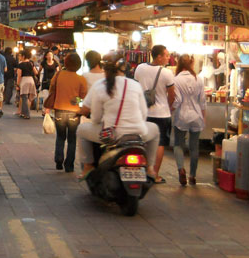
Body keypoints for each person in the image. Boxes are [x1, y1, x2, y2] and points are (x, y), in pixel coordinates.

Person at [77, 52, 160, 180]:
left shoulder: (100, 86)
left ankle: (88, 166)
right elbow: (143, 113)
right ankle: (150, 168)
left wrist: (98, 120)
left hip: (112, 135)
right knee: (155, 129)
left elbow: (96, 118)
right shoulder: (135, 85)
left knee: (81, 130)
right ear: (124, 67)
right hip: (138, 133)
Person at [134, 44, 175, 183]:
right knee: (160, 143)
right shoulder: (166, 73)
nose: (169, 58)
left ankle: (142, 171)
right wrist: (168, 106)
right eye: (167, 55)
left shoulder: (139, 68)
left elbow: (135, 87)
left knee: (143, 141)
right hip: (162, 114)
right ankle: (154, 174)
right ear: (159, 57)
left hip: (143, 112)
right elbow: (172, 95)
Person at [46, 53, 88, 173]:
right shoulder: (81, 79)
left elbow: (51, 90)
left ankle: (59, 159)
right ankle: (69, 165)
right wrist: (76, 100)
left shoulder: (58, 75)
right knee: (72, 139)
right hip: (74, 112)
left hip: (59, 110)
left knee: (60, 137)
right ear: (78, 65)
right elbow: (83, 97)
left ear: (66, 63)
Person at [172, 54, 206, 186]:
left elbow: (178, 100)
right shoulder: (199, 79)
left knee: (178, 144)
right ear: (191, 64)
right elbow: (203, 101)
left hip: (182, 116)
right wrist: (204, 117)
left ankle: (181, 169)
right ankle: (192, 176)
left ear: (179, 64)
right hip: (197, 116)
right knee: (194, 147)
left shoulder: (176, 80)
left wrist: (171, 108)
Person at [15, 50, 37, 119]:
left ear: (23, 56)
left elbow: (19, 75)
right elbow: (36, 72)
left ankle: (27, 114)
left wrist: (17, 85)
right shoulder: (31, 63)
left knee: (24, 98)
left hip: (24, 80)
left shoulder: (20, 64)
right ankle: (23, 113)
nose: (19, 57)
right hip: (31, 80)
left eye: (20, 56)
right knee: (29, 98)